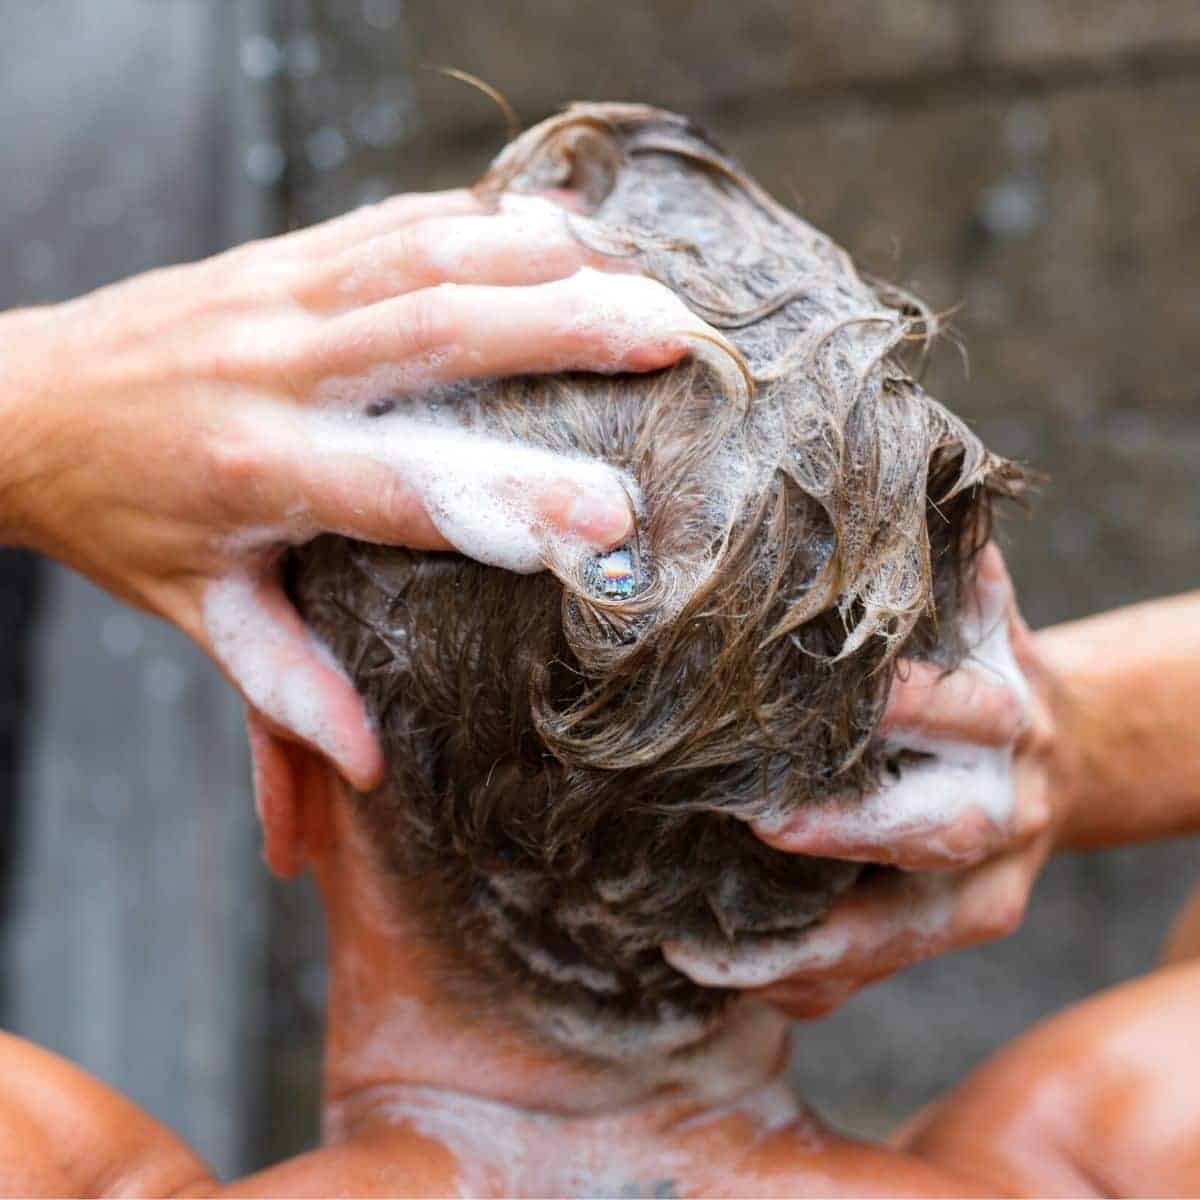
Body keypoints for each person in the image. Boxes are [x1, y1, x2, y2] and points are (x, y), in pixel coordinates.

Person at [1, 100, 1197, 1195]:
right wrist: (1077, 742)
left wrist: (45, 401)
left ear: (287, 764)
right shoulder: (1112, 1149)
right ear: (903, 794)